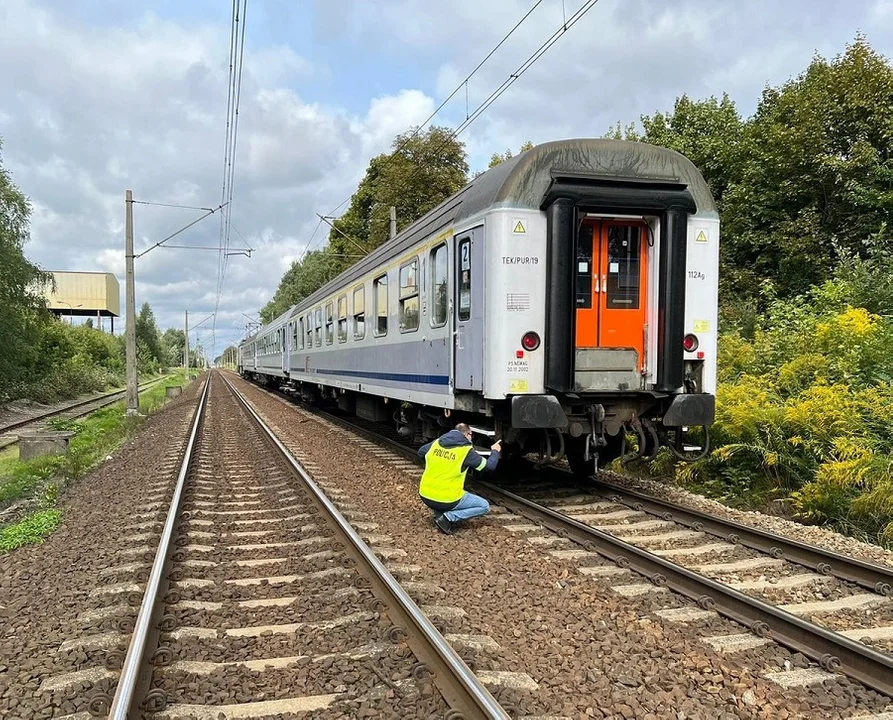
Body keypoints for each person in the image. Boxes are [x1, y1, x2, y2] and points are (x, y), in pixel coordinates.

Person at [418, 422, 501, 535]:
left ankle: (439, 514)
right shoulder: (466, 451)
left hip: (425, 495)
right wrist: (495, 451)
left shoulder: (436, 443)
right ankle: (448, 517)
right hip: (447, 499)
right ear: (468, 434)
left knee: (444, 495)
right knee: (484, 506)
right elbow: (489, 466)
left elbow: (421, 452)